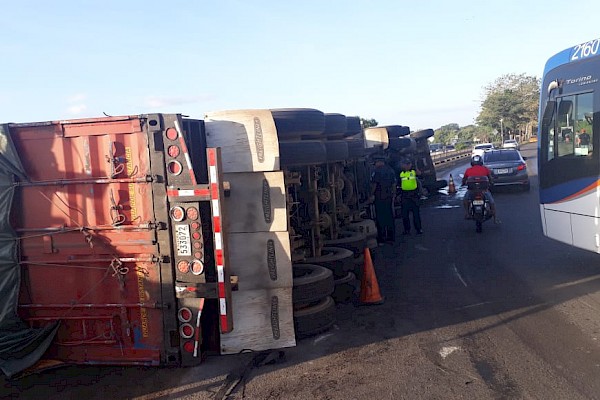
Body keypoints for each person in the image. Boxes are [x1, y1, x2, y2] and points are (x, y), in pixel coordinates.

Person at [462, 155, 498, 223]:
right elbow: (490, 178)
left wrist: (463, 183)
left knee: (465, 199)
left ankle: (467, 213)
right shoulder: (485, 169)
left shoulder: (468, 170)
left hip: (472, 190)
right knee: (491, 202)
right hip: (484, 190)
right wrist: (492, 182)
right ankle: (495, 219)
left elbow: (464, 179)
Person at [369, 157, 397, 243]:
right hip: (388, 196)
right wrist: (394, 194)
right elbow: (394, 184)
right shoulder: (390, 170)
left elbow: (374, 185)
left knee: (380, 218)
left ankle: (382, 237)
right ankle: (391, 236)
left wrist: (371, 194)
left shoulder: (377, 172)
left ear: (379, 162)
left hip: (379, 197)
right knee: (389, 216)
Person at [399, 158, 422, 235]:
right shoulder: (401, 173)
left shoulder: (413, 171)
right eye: (406, 164)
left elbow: (419, 173)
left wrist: (415, 167)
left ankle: (418, 229)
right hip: (405, 195)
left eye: (409, 164)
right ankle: (407, 230)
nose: (408, 166)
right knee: (405, 215)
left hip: (414, 195)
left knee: (416, 214)